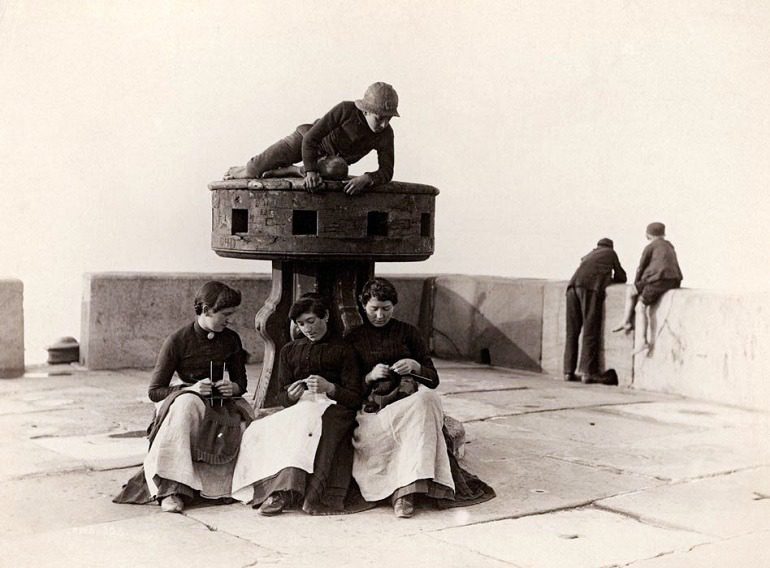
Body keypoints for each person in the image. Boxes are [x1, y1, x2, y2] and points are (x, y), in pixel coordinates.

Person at [346, 277, 495, 518]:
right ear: (364, 306)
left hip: (408, 404)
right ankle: (399, 491)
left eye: (386, 308)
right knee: (410, 419)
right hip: (375, 409)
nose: (381, 315)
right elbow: (348, 388)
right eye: (374, 309)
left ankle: (407, 493)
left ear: (394, 306)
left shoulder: (408, 332)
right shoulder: (354, 338)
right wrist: (369, 376)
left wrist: (415, 367)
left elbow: (432, 379)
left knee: (428, 400)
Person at [114, 281, 254, 513]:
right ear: (207, 310)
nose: (230, 320)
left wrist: (234, 388)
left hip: (219, 403)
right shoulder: (177, 340)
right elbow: (155, 391)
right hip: (183, 402)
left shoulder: (231, 339)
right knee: (187, 405)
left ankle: (221, 486)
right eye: (225, 314)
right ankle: (171, 489)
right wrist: (190, 389)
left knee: (249, 420)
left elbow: (242, 383)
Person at [231, 295, 362, 515]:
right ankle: (267, 489)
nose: (306, 329)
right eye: (301, 324)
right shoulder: (289, 351)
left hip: (334, 409)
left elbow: (356, 397)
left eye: (311, 321)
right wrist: (290, 395)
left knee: (306, 423)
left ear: (326, 316)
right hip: (301, 407)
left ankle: (286, 492)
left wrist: (330, 387)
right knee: (259, 428)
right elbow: (280, 396)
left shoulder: (344, 349)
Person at [224, 82, 399, 195]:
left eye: (388, 118)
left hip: (329, 162)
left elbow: (387, 170)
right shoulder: (346, 110)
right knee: (254, 169)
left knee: (338, 169)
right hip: (305, 140)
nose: (384, 124)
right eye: (379, 118)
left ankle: (291, 171)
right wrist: (311, 172)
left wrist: (367, 178)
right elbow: (311, 138)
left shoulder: (385, 134)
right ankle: (240, 170)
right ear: (365, 110)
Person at [564, 238, 627, 384]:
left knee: (572, 332)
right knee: (589, 330)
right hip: (589, 289)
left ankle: (568, 371)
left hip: (572, 287)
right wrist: (608, 279)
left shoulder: (589, 255)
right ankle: (587, 373)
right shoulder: (610, 253)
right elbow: (621, 276)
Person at [613, 222, 683, 353]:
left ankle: (641, 339)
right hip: (673, 280)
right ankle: (626, 321)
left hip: (658, 280)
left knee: (640, 305)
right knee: (637, 294)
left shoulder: (650, 247)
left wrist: (636, 284)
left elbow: (641, 267)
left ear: (648, 234)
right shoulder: (669, 245)